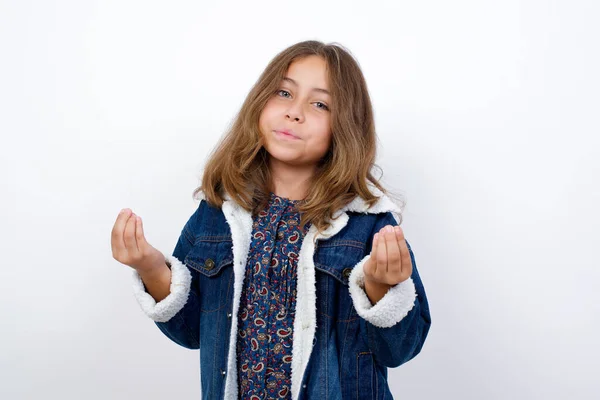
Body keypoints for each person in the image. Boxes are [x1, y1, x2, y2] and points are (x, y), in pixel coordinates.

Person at [111, 40, 431, 400]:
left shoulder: (368, 223)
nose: (295, 113)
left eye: (320, 104)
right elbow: (192, 333)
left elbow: (400, 350)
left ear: (345, 126)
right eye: (284, 93)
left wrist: (380, 287)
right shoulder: (217, 213)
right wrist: (152, 267)